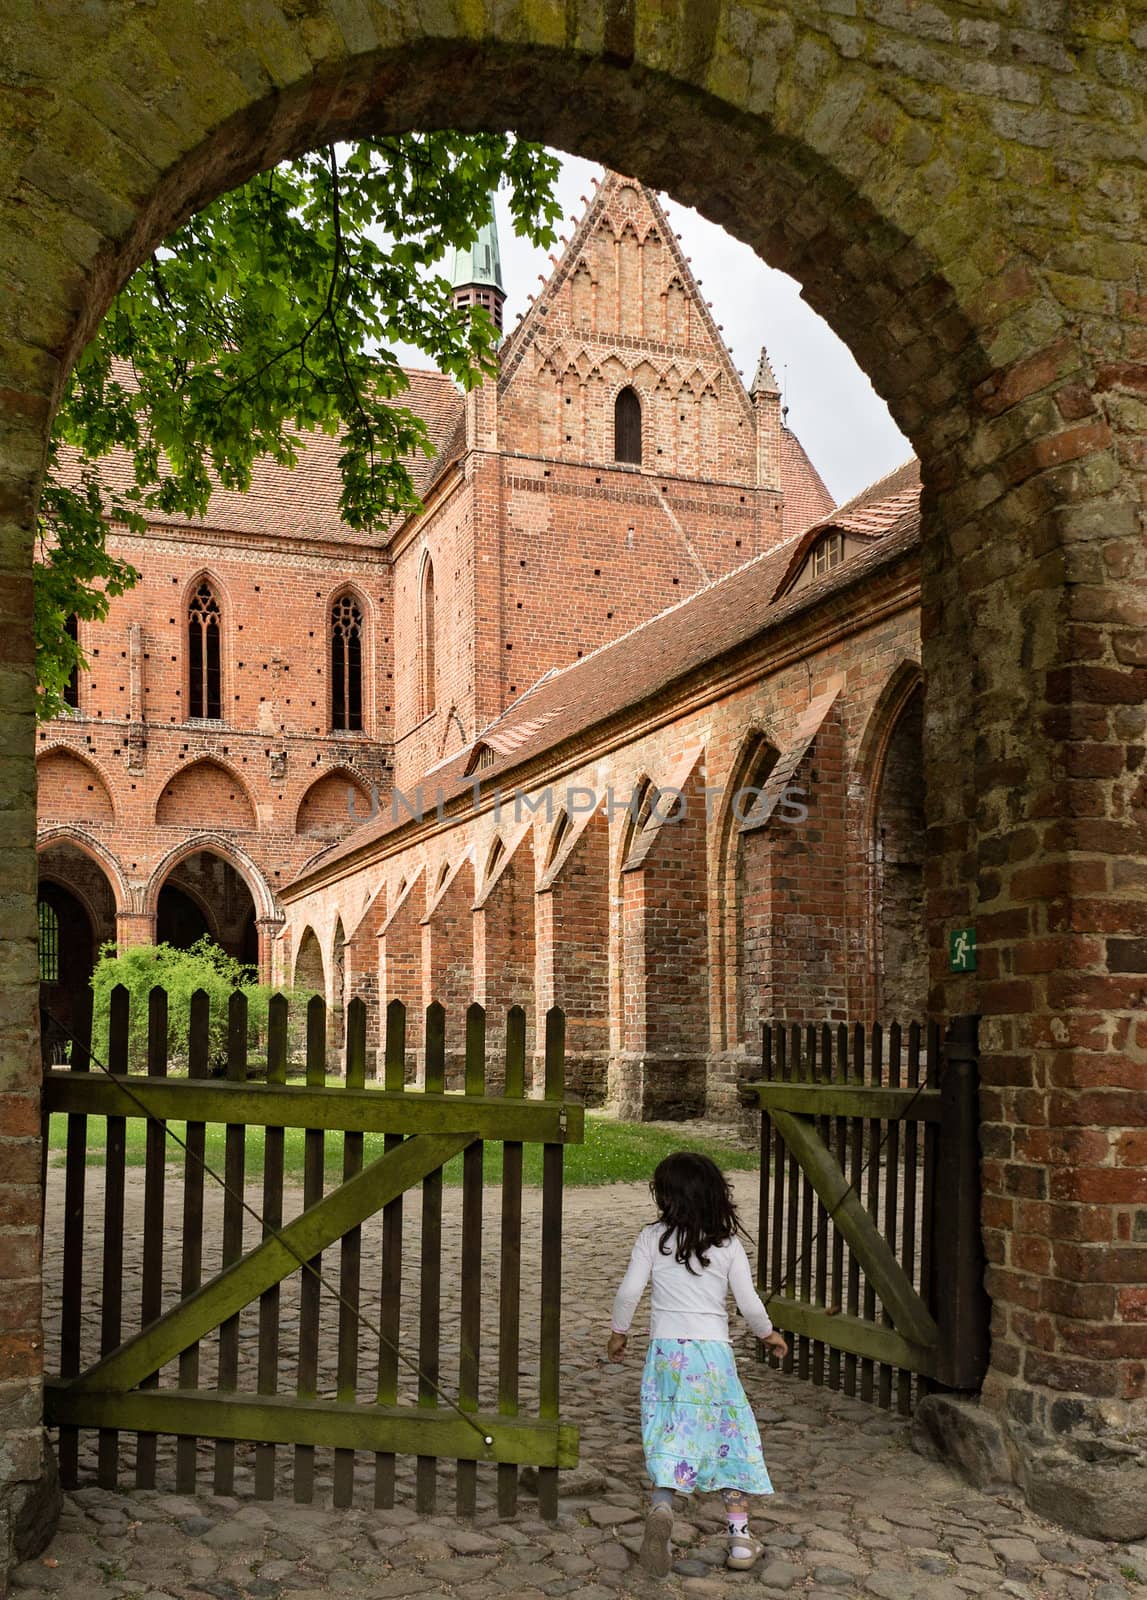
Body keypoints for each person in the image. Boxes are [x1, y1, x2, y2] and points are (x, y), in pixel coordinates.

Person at [606, 1150, 789, 1578]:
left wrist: (619, 1332)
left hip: (667, 1355)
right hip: (713, 1357)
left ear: (666, 1197)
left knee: (669, 1431)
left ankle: (662, 1509)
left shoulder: (652, 1238)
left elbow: (629, 1291)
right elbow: (748, 1303)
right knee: (730, 1436)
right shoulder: (727, 1246)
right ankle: (741, 1540)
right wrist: (768, 1334)